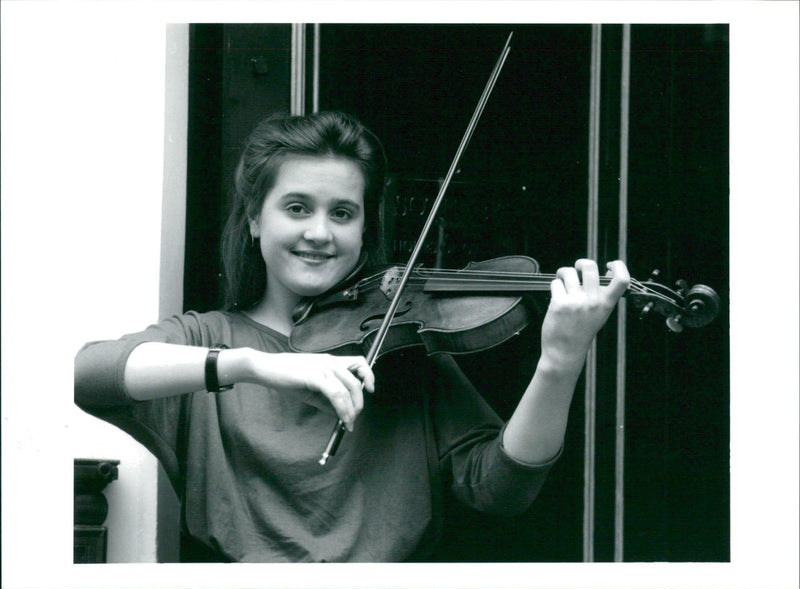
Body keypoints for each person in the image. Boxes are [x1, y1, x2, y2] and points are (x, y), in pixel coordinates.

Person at [74, 110, 630, 562]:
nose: (320, 233)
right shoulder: (207, 336)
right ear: (255, 219)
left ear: (365, 230)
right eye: (297, 208)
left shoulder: (402, 349)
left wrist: (560, 361)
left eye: (342, 213)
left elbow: (502, 489)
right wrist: (253, 364)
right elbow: (88, 374)